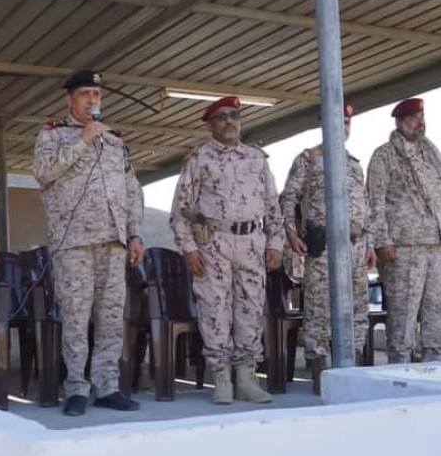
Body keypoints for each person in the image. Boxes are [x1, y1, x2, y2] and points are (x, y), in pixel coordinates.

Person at [33, 69, 143, 417]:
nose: (93, 101)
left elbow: (131, 189)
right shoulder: (53, 136)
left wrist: (136, 233)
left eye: (96, 95)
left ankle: (107, 385)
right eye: (85, 95)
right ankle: (77, 387)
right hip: (74, 242)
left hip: (113, 241)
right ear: (70, 100)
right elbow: (44, 174)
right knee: (77, 318)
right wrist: (82, 140)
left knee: (111, 318)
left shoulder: (114, 140)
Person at [170, 96, 284, 404]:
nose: (230, 121)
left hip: (251, 243)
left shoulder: (257, 159)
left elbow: (273, 206)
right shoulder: (198, 158)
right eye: (222, 117)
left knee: (250, 309)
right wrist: (189, 248)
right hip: (214, 243)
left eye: (234, 115)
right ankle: (221, 377)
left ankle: (247, 377)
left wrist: (275, 242)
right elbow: (181, 210)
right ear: (211, 124)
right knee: (215, 310)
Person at [278, 102, 373, 393]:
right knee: (319, 311)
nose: (343, 127)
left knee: (357, 310)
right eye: (338, 121)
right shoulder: (308, 159)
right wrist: (292, 235)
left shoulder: (355, 164)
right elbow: (287, 199)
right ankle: (320, 372)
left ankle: (352, 371)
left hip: (355, 248)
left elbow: (365, 208)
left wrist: (369, 244)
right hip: (323, 247)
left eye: (347, 122)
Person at [366, 98, 441, 363]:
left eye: (422, 116)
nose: (421, 122)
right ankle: (401, 370)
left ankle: (435, 366)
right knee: (404, 315)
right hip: (403, 246)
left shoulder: (431, 154)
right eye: (415, 117)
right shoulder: (384, 155)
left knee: (436, 312)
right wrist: (382, 240)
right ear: (400, 122)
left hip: (435, 244)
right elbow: (375, 200)